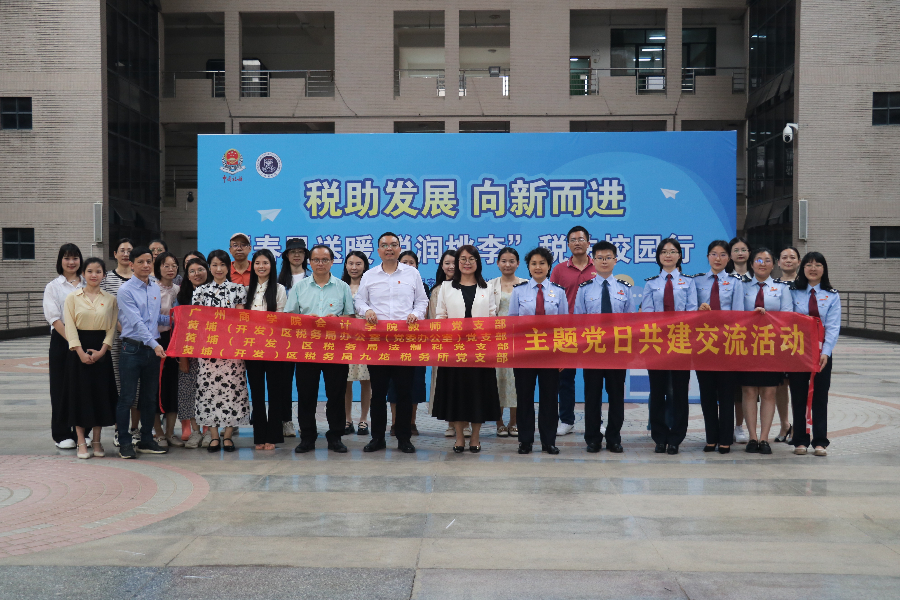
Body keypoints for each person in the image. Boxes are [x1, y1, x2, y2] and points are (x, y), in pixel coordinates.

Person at [354, 232, 429, 453]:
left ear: (399, 249)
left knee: (404, 392)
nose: (389, 248)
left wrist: (416, 314)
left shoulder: (412, 273)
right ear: (378, 250)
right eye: (384, 245)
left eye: (393, 245)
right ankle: (378, 438)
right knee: (378, 393)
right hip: (378, 342)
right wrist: (366, 310)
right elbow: (359, 300)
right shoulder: (369, 275)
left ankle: (404, 438)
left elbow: (422, 301)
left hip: (404, 342)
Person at [285, 244, 356, 453]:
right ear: (310, 262)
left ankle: (335, 436)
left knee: (336, 394)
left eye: (325, 260)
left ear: (332, 262)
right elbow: (289, 318)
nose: (320, 263)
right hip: (307, 348)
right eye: (316, 260)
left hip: (335, 349)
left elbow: (351, 317)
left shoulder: (342, 286)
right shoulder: (299, 287)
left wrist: (337, 320)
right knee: (306, 394)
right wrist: (306, 320)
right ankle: (307, 437)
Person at [431, 246, 501, 453]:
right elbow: (440, 317)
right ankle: (460, 437)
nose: (467, 263)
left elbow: (492, 317)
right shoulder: (446, 287)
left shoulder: (487, 287)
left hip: (480, 350)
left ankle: (475, 438)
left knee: (478, 393)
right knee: (456, 394)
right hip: (454, 350)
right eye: (463, 259)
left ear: (478, 262)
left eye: (471, 259)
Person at [573, 241, 635, 453]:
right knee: (592, 396)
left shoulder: (624, 289)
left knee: (616, 396)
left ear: (615, 260)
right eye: (600, 258)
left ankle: (614, 438)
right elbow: (579, 321)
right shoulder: (585, 289)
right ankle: (592, 438)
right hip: (592, 351)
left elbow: (631, 323)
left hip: (617, 351)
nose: (604, 261)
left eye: (608, 257)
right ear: (593, 261)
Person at [508, 246, 568, 454]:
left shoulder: (559, 292)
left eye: (542, 263)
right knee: (524, 397)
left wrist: (562, 355)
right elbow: (512, 325)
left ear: (549, 266)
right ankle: (525, 441)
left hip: (550, 354)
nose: (538, 267)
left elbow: (564, 326)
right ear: (528, 267)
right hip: (525, 353)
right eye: (533, 263)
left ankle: (548, 441)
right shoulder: (519, 291)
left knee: (549, 398)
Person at [641, 238, 698, 455]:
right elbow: (647, 313)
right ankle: (659, 436)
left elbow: (692, 311)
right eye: (664, 252)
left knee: (679, 392)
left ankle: (676, 437)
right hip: (656, 343)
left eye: (672, 251)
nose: (668, 255)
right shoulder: (651, 284)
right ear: (658, 256)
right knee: (657, 391)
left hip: (680, 341)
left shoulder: (688, 283)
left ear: (679, 256)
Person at [192, 249, 250, 452]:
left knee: (233, 391)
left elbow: (241, 320)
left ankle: (228, 436)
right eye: (214, 265)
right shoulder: (200, 291)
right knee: (209, 392)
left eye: (222, 265)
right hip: (208, 351)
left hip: (232, 350)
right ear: (209, 267)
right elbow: (197, 321)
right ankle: (214, 436)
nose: (218, 269)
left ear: (229, 267)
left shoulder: (238, 289)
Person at [115, 246, 171, 459]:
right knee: (127, 398)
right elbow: (137, 323)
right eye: (141, 262)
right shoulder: (125, 290)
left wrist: (180, 319)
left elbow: (155, 319)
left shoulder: (154, 287)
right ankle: (124, 442)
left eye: (149, 261)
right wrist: (155, 344)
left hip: (152, 350)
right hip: (132, 349)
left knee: (149, 398)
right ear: (132, 264)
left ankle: (146, 439)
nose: (146, 265)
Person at [736, 247, 792, 455]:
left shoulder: (782, 288)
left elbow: (787, 317)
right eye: (758, 260)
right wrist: (751, 315)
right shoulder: (742, 286)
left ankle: (764, 438)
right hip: (747, 346)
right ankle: (752, 437)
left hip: (771, 346)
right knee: (749, 391)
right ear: (752, 264)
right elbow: (735, 314)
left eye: (767, 260)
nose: (762, 264)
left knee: (769, 391)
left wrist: (767, 316)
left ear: (774, 264)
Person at [62, 257, 118, 459]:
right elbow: (70, 327)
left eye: (98, 271)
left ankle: (96, 441)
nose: (94, 275)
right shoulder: (72, 298)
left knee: (99, 395)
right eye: (90, 271)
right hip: (78, 352)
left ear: (104, 275)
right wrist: (80, 352)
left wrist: (103, 351)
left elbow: (112, 328)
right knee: (80, 396)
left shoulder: (110, 299)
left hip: (101, 352)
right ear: (83, 274)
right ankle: (80, 442)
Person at [693, 240, 743, 454]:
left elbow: (739, 314)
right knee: (707, 395)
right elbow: (689, 312)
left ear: (728, 258)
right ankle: (711, 438)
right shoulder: (697, 281)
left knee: (726, 394)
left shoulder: (735, 282)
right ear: (707, 257)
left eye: (723, 254)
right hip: (703, 345)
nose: (718, 258)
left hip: (727, 344)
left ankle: (725, 439)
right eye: (714, 254)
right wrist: (699, 310)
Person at [788, 252, 840, 457]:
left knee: (820, 396)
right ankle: (800, 440)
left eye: (818, 265)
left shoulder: (832, 295)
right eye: (809, 265)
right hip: (798, 351)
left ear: (823, 269)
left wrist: (826, 352)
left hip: (822, 353)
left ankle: (820, 441)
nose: (813, 268)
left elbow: (833, 327)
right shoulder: (793, 292)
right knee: (798, 395)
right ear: (803, 268)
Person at [549, 226, 596, 437]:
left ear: (588, 243)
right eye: (573, 240)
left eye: (581, 239)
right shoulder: (559, 270)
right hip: (566, 331)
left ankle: (595, 421)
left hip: (593, 332)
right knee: (565, 379)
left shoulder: (598, 267)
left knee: (593, 379)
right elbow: (551, 298)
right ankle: (566, 420)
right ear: (568, 244)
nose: (577, 243)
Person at [245, 249, 288, 450]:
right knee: (257, 393)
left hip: (273, 348)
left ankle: (273, 436)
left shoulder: (279, 289)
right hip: (251, 348)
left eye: (265, 263)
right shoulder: (246, 289)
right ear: (252, 266)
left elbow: (281, 319)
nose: (261, 267)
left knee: (275, 392)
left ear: (272, 265)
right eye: (257, 263)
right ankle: (259, 437)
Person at [43, 243, 85, 449]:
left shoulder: (87, 283)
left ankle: (82, 432)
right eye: (67, 258)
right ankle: (61, 434)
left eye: (75, 258)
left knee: (83, 387)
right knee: (60, 387)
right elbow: (54, 318)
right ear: (60, 261)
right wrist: (73, 340)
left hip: (86, 339)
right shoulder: (53, 287)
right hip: (62, 340)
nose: (71, 262)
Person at [101, 237, 140, 445]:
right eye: (122, 250)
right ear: (115, 254)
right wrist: (124, 331)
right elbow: (107, 309)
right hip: (117, 340)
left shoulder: (141, 277)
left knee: (138, 385)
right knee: (119, 384)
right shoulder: (106, 279)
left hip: (139, 339)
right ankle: (120, 429)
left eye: (130, 250)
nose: (126, 254)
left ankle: (135, 428)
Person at [487, 247, 526, 437]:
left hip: (519, 341)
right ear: (497, 264)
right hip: (497, 340)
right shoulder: (489, 286)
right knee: (498, 380)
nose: (507, 265)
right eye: (503, 261)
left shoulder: (526, 284)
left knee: (516, 381)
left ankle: (514, 422)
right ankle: (499, 423)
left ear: (518, 264)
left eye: (511, 261)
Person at [389, 250, 429, 436]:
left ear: (417, 266)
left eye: (411, 262)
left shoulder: (422, 287)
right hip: (393, 343)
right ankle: (395, 423)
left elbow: (425, 311)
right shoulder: (389, 284)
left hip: (416, 343)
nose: (407, 265)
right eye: (404, 262)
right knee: (393, 385)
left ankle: (411, 422)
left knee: (415, 384)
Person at [276, 238, 310, 438]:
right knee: (283, 381)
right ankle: (286, 420)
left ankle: (306, 423)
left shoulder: (312, 279)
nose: (297, 255)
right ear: (286, 256)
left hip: (308, 338)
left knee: (306, 382)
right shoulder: (278, 281)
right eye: (292, 252)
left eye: (300, 251)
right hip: (284, 338)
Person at [176, 257, 210, 449]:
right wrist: (183, 357)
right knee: (189, 392)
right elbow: (179, 330)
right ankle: (195, 431)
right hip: (189, 352)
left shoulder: (215, 293)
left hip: (211, 352)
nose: (197, 274)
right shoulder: (182, 297)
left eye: (200, 269)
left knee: (210, 392)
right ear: (187, 276)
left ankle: (209, 431)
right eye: (192, 271)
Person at [427, 250, 459, 438]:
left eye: (455, 262)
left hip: (466, 345)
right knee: (447, 385)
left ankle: (465, 423)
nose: (451, 266)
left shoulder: (469, 287)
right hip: (445, 346)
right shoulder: (437, 291)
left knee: (464, 384)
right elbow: (433, 321)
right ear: (441, 266)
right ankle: (450, 423)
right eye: (447, 263)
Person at [342, 251, 372, 436]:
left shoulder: (370, 286)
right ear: (345, 265)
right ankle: (347, 419)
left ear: (365, 266)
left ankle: (363, 419)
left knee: (365, 380)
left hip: (365, 340)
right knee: (345, 381)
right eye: (351, 263)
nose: (354, 267)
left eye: (358, 264)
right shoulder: (340, 286)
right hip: (344, 341)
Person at [725, 236, 752, 444]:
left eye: (743, 249)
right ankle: (732, 425)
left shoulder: (757, 279)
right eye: (736, 250)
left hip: (753, 340)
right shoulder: (724, 279)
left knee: (748, 386)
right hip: (728, 339)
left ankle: (745, 427)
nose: (740, 253)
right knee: (732, 387)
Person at [774, 246, 801, 443]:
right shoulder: (773, 285)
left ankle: (799, 426)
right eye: (784, 257)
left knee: (798, 384)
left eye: (792, 257)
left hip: (800, 341)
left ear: (799, 262)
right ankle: (785, 424)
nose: (788, 260)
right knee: (780, 385)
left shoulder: (805, 284)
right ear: (778, 262)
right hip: (777, 341)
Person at [154, 251, 182, 448]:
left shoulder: (179, 290)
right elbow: (151, 317)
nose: (171, 269)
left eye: (174, 266)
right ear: (158, 268)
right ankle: (159, 433)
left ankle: (171, 433)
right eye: (166, 266)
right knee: (156, 387)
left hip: (176, 341)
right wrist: (174, 319)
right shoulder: (152, 289)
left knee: (173, 387)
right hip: (156, 341)